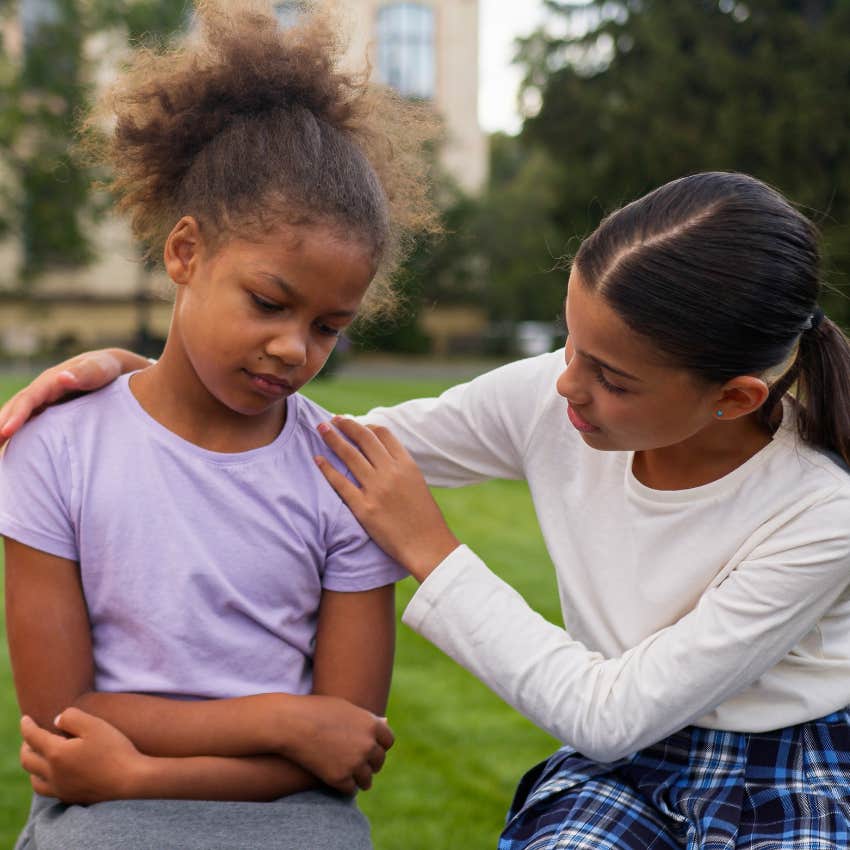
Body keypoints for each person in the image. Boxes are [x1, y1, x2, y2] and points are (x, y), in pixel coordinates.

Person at [6, 173, 850, 848]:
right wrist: (139, 390)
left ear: (735, 398)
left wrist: (431, 550)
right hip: (627, 776)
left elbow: (611, 714)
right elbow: (320, 445)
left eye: (611, 378)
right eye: (570, 345)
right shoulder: (551, 399)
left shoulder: (820, 515)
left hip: (786, 767)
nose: (565, 386)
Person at [0, 1, 435, 848]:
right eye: (270, 302)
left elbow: (341, 747)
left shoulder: (344, 474)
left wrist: (147, 763)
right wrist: (279, 719)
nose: (293, 348)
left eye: (328, 327)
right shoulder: (55, 453)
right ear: (185, 253)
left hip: (293, 822)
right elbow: (64, 716)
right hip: (100, 816)